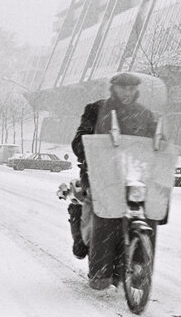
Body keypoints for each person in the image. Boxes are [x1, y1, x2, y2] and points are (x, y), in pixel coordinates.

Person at [69, 72, 157, 290]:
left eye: (130, 88)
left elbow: (157, 142)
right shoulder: (96, 109)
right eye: (122, 88)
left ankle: (139, 268)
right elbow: (79, 140)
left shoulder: (144, 114)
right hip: (100, 173)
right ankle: (101, 271)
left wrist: (162, 150)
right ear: (114, 88)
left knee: (150, 209)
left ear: (136, 90)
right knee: (106, 216)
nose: (127, 92)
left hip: (133, 174)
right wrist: (87, 146)